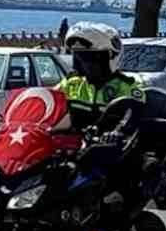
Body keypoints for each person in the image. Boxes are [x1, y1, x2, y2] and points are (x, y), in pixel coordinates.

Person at [59, 21, 146, 149]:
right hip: (71, 148)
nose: (85, 64)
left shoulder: (125, 87)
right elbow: (49, 103)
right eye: (80, 58)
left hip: (108, 152)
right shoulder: (71, 83)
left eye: (90, 58)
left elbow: (136, 116)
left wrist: (118, 132)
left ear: (110, 57)